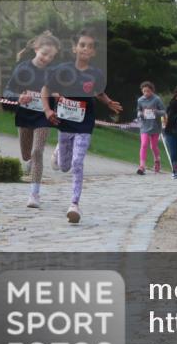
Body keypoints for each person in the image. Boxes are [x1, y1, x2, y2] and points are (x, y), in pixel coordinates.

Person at [41, 28, 123, 224]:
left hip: (85, 124)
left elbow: (98, 91)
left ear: (94, 52)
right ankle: (59, 151)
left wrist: (109, 102)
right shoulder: (63, 70)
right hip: (65, 123)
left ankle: (74, 204)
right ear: (74, 48)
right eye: (82, 45)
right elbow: (46, 88)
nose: (86, 49)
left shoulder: (95, 74)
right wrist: (47, 111)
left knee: (78, 163)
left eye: (90, 47)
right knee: (64, 167)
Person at [5, 31, 60, 208]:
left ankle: (34, 194)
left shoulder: (53, 73)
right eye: (44, 54)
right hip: (25, 116)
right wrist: (17, 98)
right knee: (26, 154)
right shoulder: (23, 68)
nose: (46, 59)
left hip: (44, 117)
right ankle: (29, 163)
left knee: (37, 152)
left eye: (50, 56)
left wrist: (57, 98)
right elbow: (8, 92)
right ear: (36, 49)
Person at [135, 81, 166, 175]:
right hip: (144, 126)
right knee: (144, 144)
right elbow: (138, 110)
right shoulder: (140, 100)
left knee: (153, 146)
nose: (146, 93)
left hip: (155, 126)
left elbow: (163, 111)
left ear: (152, 91)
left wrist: (156, 112)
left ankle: (157, 161)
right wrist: (140, 114)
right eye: (144, 91)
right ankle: (142, 166)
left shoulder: (157, 99)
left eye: (148, 91)